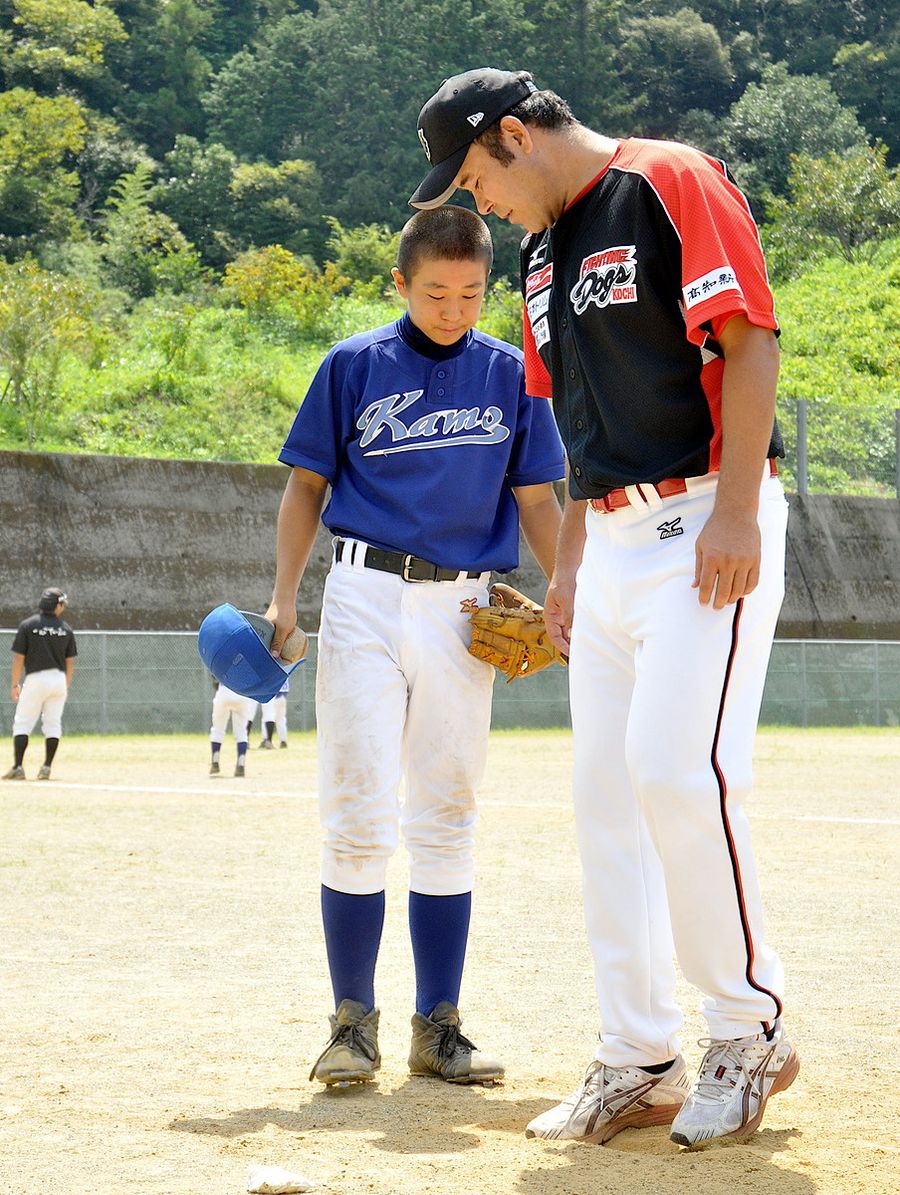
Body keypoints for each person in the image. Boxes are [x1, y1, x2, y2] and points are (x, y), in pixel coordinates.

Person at [410, 68, 798, 1148]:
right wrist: (570, 567)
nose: (473, 198)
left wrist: (736, 513)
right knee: (606, 802)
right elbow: (576, 433)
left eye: (476, 172)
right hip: (614, 542)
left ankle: (749, 1029)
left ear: (518, 133)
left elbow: (750, 338)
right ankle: (640, 1054)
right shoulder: (540, 258)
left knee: (682, 771)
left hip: (703, 526)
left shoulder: (668, 179)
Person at [265, 205, 564, 1088]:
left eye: (471, 292)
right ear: (400, 283)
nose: (453, 307)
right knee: (357, 808)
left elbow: (541, 503)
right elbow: (306, 486)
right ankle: (351, 1022)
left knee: (447, 808)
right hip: (361, 592)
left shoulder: (513, 374)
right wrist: (284, 595)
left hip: (465, 606)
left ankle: (440, 1026)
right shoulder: (354, 364)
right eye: (435, 291)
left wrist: (570, 592)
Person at [4, 587, 77, 781]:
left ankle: (18, 767)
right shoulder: (65, 628)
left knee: (23, 722)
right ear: (57, 605)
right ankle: (46, 767)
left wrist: (15, 683)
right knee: (53, 723)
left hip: (36, 678)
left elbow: (19, 657)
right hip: (59, 679)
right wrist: (65, 684)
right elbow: (70, 661)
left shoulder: (28, 625)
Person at [209, 679, 255, 777]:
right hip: (243, 692)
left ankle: (215, 762)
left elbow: (215, 677)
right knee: (242, 732)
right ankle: (241, 765)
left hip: (224, 690)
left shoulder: (223, 662)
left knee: (217, 729)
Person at [258, 677, 289, 749]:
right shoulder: (285, 666)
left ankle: (267, 739)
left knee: (267, 716)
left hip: (270, 693)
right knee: (281, 718)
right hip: (282, 694)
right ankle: (283, 741)